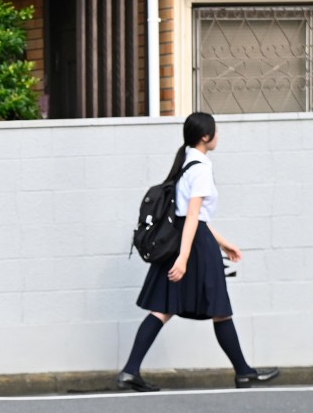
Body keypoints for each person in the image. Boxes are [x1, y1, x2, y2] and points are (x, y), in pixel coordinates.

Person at [117, 112, 279, 392]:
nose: (219, 136)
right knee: (219, 309)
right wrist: (184, 257)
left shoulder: (185, 163)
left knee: (163, 309)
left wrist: (222, 242)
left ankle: (130, 371)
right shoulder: (201, 166)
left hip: (186, 239)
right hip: (193, 246)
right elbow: (193, 216)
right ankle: (243, 372)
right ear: (206, 136)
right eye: (216, 131)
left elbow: (189, 218)